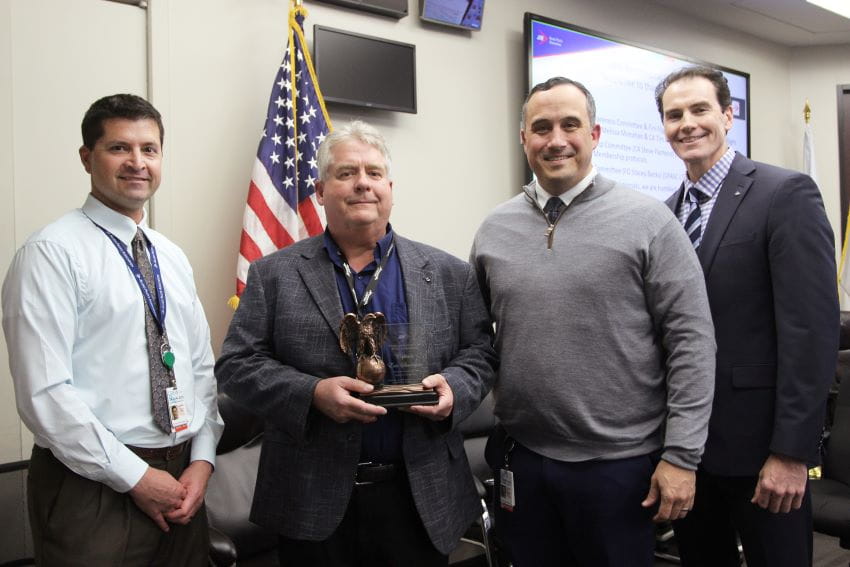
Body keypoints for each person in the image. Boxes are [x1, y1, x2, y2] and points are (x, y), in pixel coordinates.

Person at [215, 120, 497, 566]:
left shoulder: (449, 274)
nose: (362, 183)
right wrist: (311, 394)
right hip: (311, 499)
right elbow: (236, 365)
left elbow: (480, 354)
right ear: (321, 189)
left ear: (389, 186)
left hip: (419, 497)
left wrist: (454, 388)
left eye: (372, 172)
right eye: (346, 173)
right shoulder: (275, 274)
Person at [469, 76, 716, 567]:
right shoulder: (494, 229)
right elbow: (475, 340)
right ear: (524, 140)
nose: (556, 139)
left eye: (570, 125)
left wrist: (682, 456)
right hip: (524, 461)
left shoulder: (649, 222)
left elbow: (692, 344)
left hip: (618, 469)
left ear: (595, 134)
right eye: (541, 127)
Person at [2, 94, 223, 566]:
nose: (137, 162)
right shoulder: (50, 253)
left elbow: (200, 368)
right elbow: (45, 394)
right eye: (119, 148)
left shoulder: (171, 256)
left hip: (183, 479)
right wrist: (137, 477)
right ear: (87, 157)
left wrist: (202, 459)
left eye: (150, 149)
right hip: (92, 487)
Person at [655, 65, 839, 567]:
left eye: (699, 110)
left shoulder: (784, 194)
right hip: (687, 454)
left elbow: (811, 333)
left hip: (764, 455)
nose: (687, 124)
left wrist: (792, 452)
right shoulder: (663, 215)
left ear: (728, 115)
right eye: (674, 115)